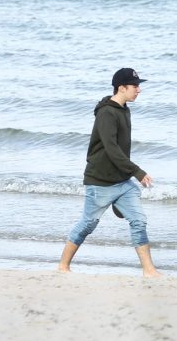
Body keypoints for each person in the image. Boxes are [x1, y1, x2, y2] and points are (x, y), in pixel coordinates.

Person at [58, 67, 162, 278]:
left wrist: (129, 174)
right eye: (135, 86)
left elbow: (121, 150)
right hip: (100, 181)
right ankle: (63, 266)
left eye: (138, 86)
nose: (138, 90)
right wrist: (138, 171)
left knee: (139, 220)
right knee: (88, 224)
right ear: (121, 88)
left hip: (122, 182)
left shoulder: (124, 110)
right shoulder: (106, 113)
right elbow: (112, 149)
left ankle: (149, 271)